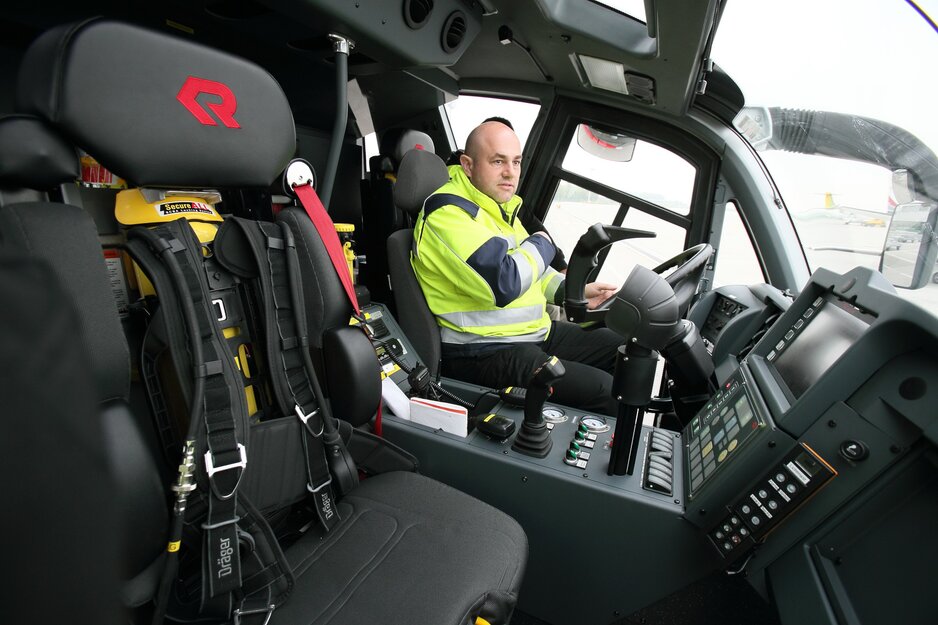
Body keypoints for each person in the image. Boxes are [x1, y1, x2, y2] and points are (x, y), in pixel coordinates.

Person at [412, 120, 623, 415]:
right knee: (605, 391)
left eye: (516, 162)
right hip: (483, 351)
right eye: (497, 161)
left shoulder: (496, 208)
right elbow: (505, 281)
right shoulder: (448, 215)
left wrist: (572, 291)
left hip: (532, 334)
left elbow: (535, 272)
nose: (510, 172)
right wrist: (543, 243)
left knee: (625, 351)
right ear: (468, 165)